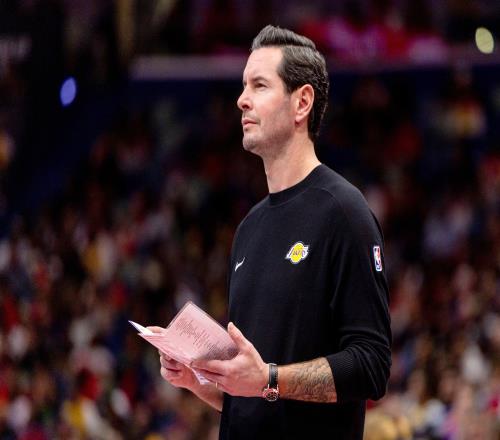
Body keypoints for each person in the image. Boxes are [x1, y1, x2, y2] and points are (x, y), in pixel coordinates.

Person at [156, 25, 391, 439]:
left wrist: (268, 378)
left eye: (259, 85)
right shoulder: (249, 228)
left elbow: (371, 365)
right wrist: (203, 381)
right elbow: (257, 396)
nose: (241, 99)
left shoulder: (343, 211)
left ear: (302, 102)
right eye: (244, 85)